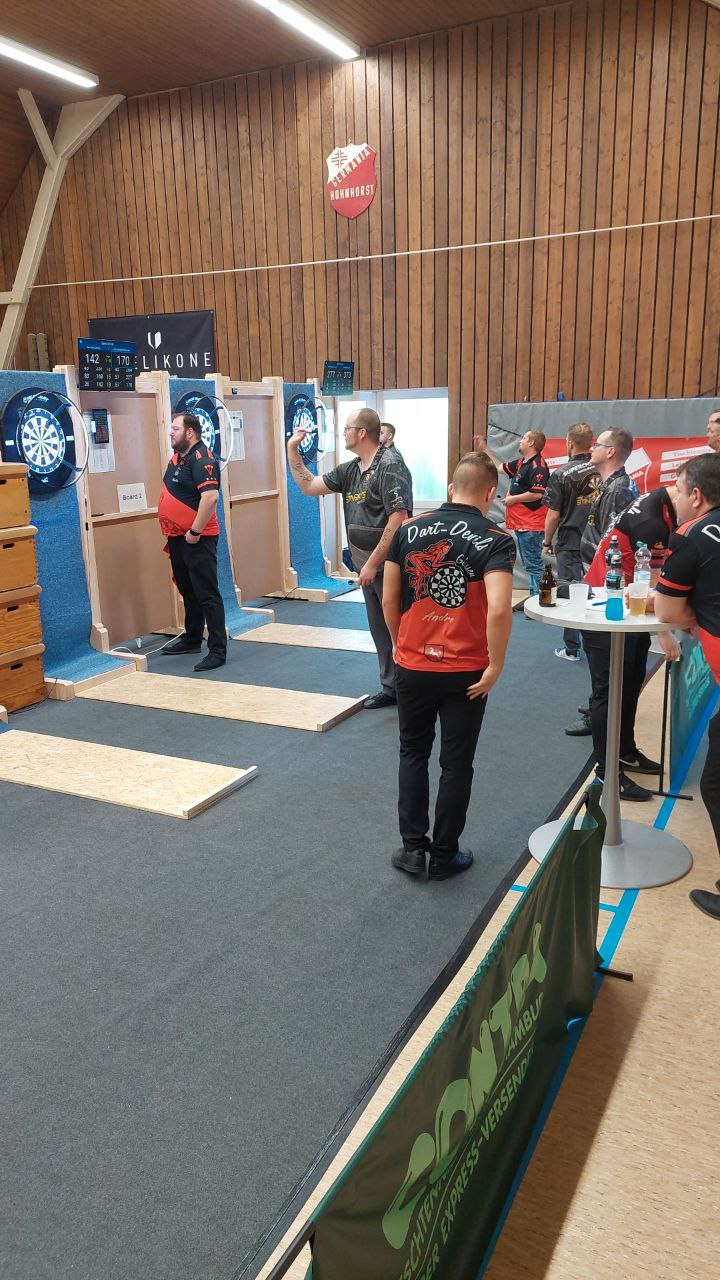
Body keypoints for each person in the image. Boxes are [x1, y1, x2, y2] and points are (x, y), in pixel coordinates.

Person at [382, 451, 515, 880]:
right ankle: (444, 855)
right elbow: (500, 608)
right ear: (491, 493)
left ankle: (412, 850)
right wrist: (496, 665)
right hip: (467, 670)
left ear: (451, 488)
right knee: (456, 764)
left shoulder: (407, 529)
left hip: (412, 664)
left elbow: (389, 599)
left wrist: (400, 644)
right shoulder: (496, 538)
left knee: (413, 752)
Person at [287, 407, 412, 708]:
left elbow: (398, 519)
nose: (343, 433)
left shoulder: (390, 465)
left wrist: (372, 564)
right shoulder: (351, 470)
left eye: (347, 428)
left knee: (400, 630)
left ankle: (410, 689)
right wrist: (292, 451)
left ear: (362, 433)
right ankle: (392, 688)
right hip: (366, 568)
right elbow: (309, 486)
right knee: (379, 630)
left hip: (390, 567)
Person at [582, 485, 679, 800]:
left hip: (629, 606)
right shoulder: (652, 522)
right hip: (606, 604)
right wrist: (663, 629)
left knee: (632, 679)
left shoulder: (661, 500)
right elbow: (652, 579)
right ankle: (606, 774)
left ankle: (624, 751)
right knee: (608, 691)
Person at [655, 453, 720, 921]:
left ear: (696, 495)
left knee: (715, 783)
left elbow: (666, 611)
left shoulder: (693, 535)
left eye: (677, 491)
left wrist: (698, 618)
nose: (674, 500)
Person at [565, 427, 639, 737]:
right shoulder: (611, 485)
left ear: (611, 452)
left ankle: (599, 714)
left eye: (598, 444)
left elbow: (612, 544)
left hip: (605, 584)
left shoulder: (618, 490)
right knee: (599, 657)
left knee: (603, 658)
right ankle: (597, 704)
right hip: (595, 577)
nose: (591, 448)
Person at [157, 413, 226, 671]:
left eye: (175, 428)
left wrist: (195, 531)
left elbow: (210, 498)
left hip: (198, 537)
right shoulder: (178, 458)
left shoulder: (202, 459)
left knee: (207, 594)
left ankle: (217, 650)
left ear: (189, 432)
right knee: (188, 590)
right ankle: (192, 638)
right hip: (177, 537)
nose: (171, 432)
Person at [542, 422, 598, 662]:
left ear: (570, 443)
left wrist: (547, 542)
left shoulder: (561, 474)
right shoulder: (602, 470)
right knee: (597, 591)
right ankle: (597, 646)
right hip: (598, 544)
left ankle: (572, 649)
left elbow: (553, 515)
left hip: (570, 542)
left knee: (571, 594)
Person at [474, 428, 549, 595]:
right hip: (522, 523)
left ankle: (540, 599)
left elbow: (537, 493)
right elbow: (500, 467)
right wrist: (485, 448)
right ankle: (534, 597)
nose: (520, 441)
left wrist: (513, 499)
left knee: (534, 565)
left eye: (524, 438)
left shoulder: (539, 466)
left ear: (531, 443)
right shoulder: (522, 463)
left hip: (531, 525)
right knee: (531, 564)